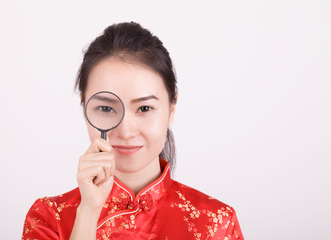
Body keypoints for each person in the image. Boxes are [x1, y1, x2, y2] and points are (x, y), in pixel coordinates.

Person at [21, 22, 244, 240]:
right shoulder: (48, 217)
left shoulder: (216, 222)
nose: (126, 132)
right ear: (84, 106)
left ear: (171, 107)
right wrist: (88, 212)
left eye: (144, 108)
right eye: (106, 108)